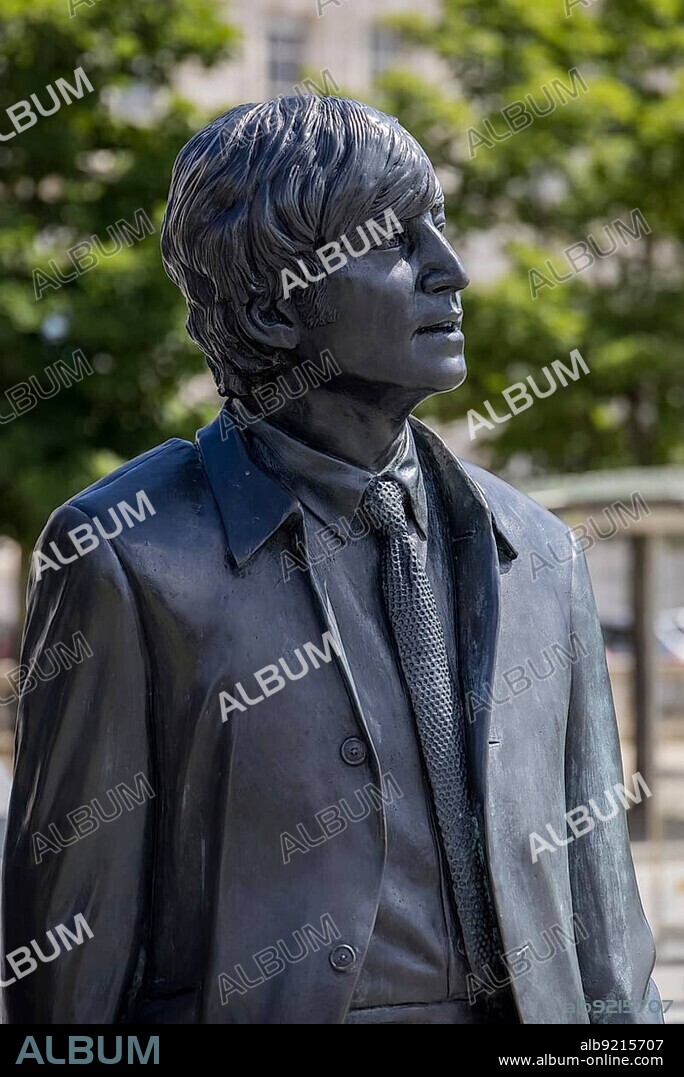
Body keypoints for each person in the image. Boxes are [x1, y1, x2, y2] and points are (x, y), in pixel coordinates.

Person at [1, 96, 660, 1025]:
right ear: (275, 306)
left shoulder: (539, 553)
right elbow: (68, 976)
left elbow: (608, 939)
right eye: (398, 241)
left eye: (444, 228)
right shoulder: (126, 557)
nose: (452, 270)